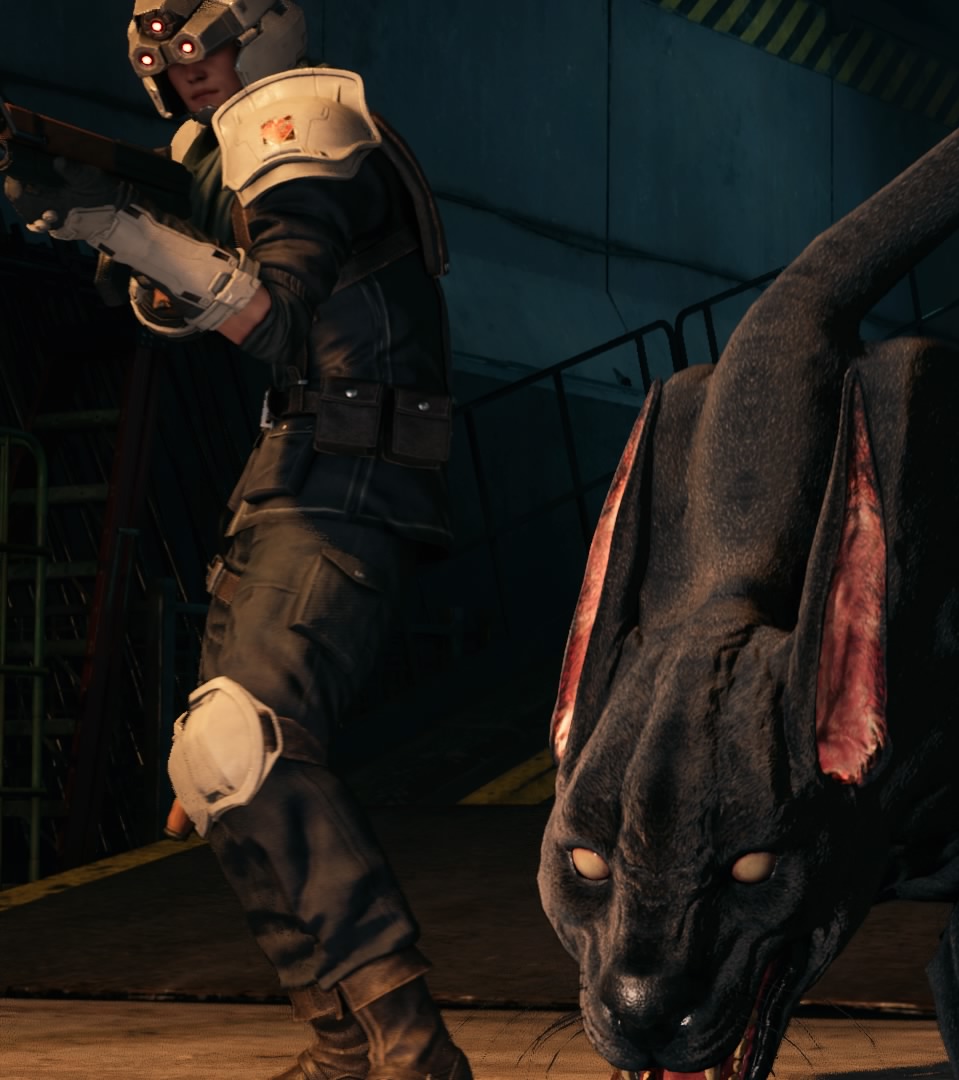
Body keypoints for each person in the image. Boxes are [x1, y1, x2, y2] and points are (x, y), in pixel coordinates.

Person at [4, 2, 470, 1078]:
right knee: (211, 770)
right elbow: (199, 298)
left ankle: (413, 1054)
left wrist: (112, 222)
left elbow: (280, 317)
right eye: (162, 55)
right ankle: (343, 1049)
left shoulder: (303, 119)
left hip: (355, 468)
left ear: (254, 27)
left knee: (243, 742)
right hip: (297, 466)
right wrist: (115, 227)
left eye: (199, 42)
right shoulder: (212, 158)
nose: (185, 70)